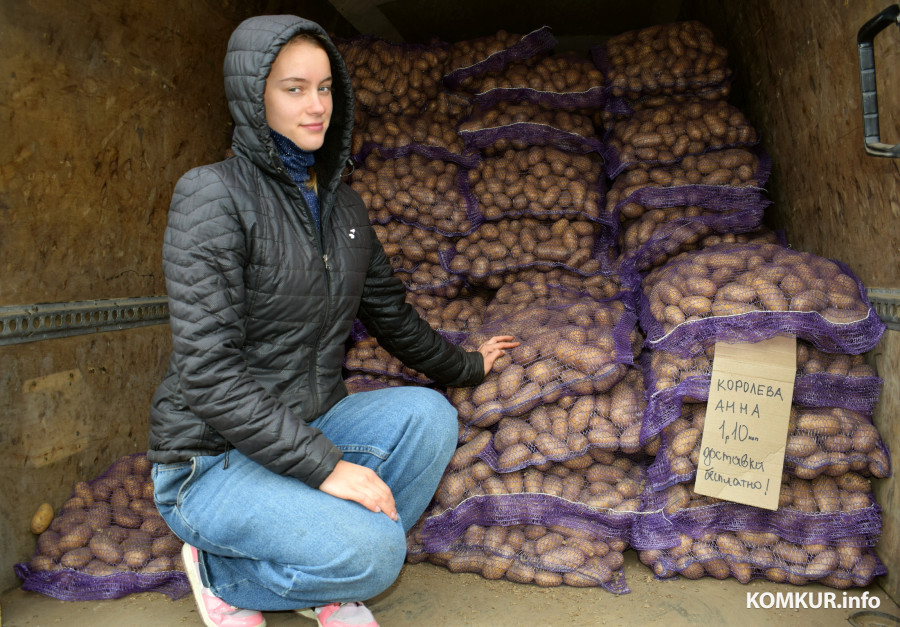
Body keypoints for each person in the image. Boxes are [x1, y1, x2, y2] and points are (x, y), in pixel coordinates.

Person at [147, 13, 518, 627]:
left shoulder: (342, 205)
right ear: (253, 96)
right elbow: (209, 372)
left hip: (305, 423)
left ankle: (321, 570)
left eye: (325, 88)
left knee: (429, 416)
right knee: (379, 554)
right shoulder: (211, 196)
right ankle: (224, 576)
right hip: (211, 459)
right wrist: (328, 468)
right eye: (294, 89)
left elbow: (391, 314)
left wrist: (468, 364)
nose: (316, 105)